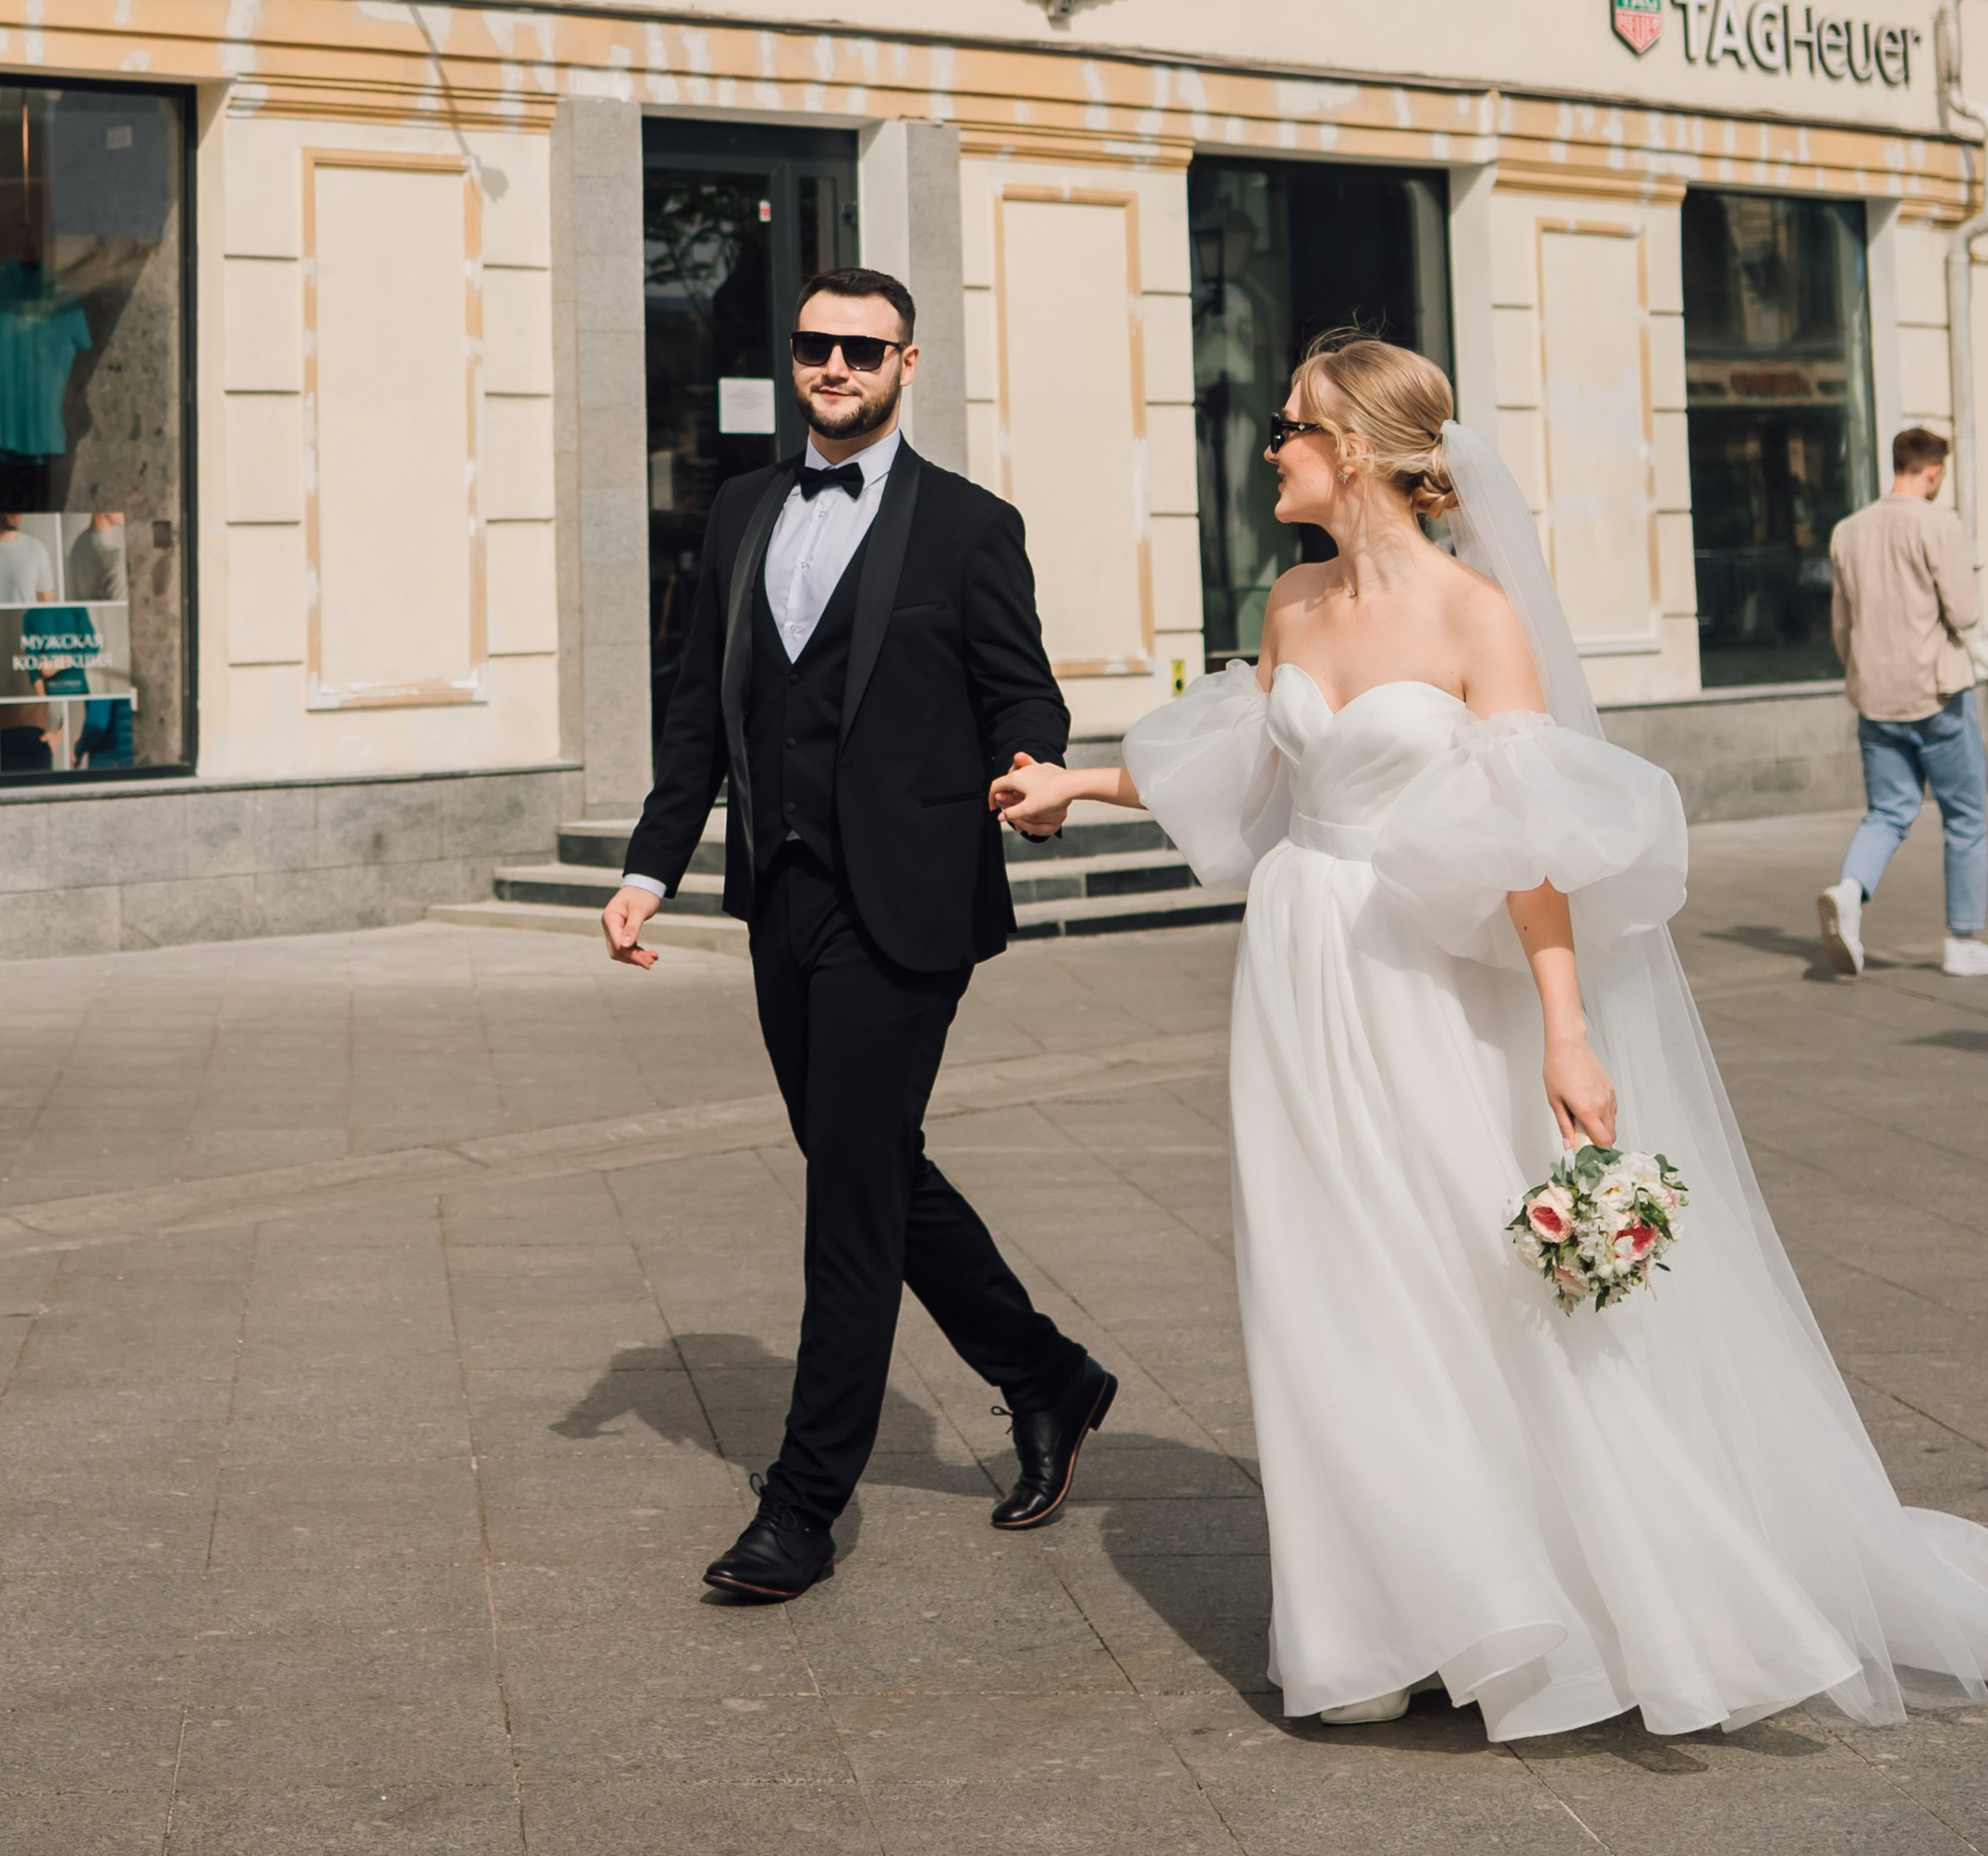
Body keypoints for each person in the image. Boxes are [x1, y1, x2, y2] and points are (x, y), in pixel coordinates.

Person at [993, 335, 1988, 1739]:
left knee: (1456, 1274)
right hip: (1297, 971)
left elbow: (1534, 842)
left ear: (1356, 449)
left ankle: (1544, 1595)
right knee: (1322, 1290)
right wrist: (1075, 785)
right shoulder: (1291, 601)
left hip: (1426, 983)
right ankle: (1379, 1623)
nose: (1268, 447)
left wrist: (1566, 1034)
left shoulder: (1476, 618)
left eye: (1290, 425)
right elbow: (1249, 769)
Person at [598, 268, 1113, 1604]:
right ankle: (1047, 1374)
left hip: (910, 897)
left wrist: (1034, 774)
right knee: (864, 1160)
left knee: (847, 1202)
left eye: (863, 349)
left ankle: (804, 1503)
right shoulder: (741, 510)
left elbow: (1022, 690)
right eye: (815, 344)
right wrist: (653, 865)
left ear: (906, 365)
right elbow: (698, 712)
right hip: (783, 892)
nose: (835, 365)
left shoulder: (970, 525)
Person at [1818, 427, 1987, 979]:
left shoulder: (1847, 531)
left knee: (1888, 812)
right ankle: (1963, 941)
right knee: (1967, 816)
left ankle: (1849, 891)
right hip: (1936, 695)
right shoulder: (1938, 525)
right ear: (1933, 471)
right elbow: (1964, 612)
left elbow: (1841, 625)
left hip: (1876, 699)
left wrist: (1862, 674)